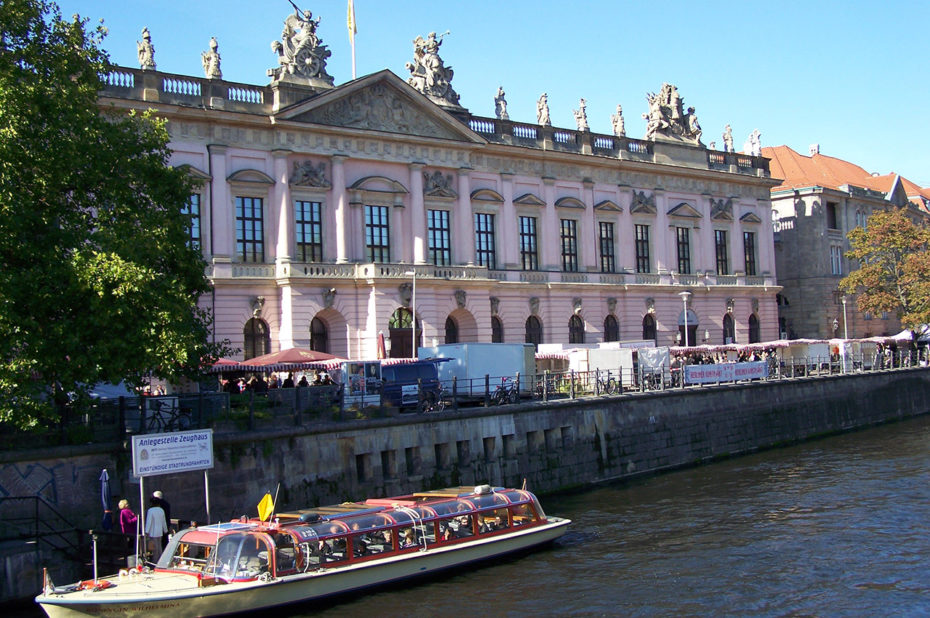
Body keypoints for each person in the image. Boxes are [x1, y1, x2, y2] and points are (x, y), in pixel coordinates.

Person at [145, 497, 168, 562]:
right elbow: (164, 521)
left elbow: (149, 521)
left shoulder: (150, 510)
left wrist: (147, 531)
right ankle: (161, 560)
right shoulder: (161, 510)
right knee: (159, 547)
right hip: (160, 531)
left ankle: (155, 561)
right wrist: (165, 530)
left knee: (155, 548)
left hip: (153, 532)